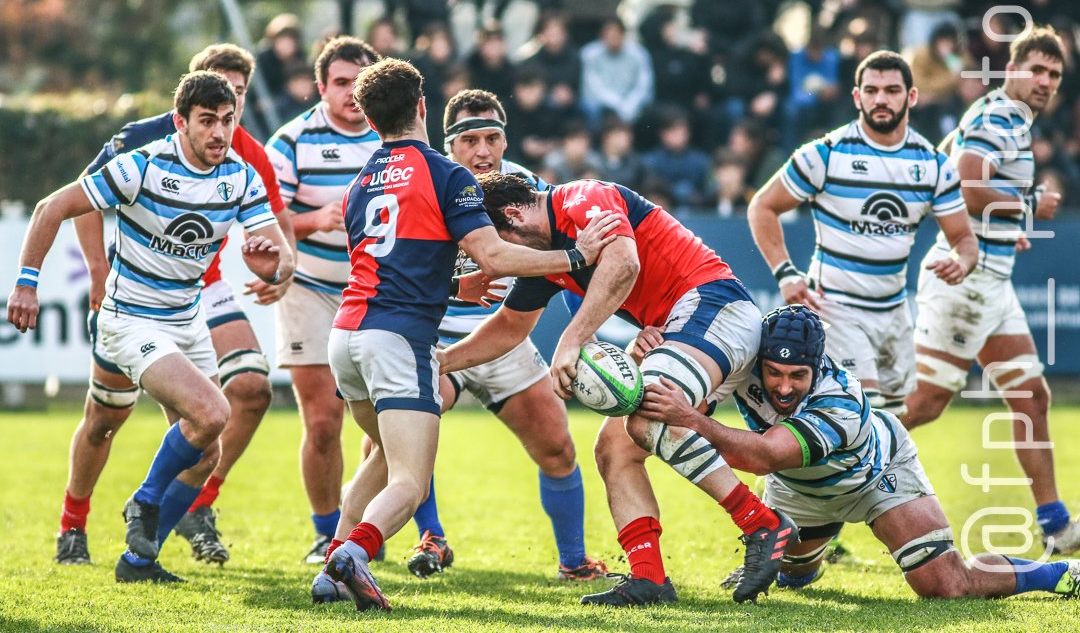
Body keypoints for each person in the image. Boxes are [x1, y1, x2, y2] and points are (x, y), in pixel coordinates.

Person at [312, 58, 620, 611]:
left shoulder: (362, 184)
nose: (482, 151)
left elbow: (388, 266)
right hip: (411, 339)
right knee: (408, 473)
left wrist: (460, 288)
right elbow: (494, 253)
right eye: (470, 139)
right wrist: (577, 255)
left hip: (356, 333)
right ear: (427, 114)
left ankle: (336, 559)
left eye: (492, 137)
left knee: (396, 449)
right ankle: (357, 553)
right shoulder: (444, 176)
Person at [439, 173, 799, 606]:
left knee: (648, 413)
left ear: (513, 215)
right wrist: (438, 363)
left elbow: (623, 262)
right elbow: (508, 328)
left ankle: (761, 522)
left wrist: (572, 339)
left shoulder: (583, 197)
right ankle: (650, 578)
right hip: (681, 329)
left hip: (713, 306)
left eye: (489, 244)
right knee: (614, 449)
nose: (491, 259)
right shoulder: (554, 257)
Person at [9, 71, 294, 583]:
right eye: (207, 122)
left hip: (187, 322)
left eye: (227, 121)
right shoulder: (141, 165)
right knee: (202, 411)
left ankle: (138, 561)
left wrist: (270, 263)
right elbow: (52, 206)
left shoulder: (242, 174)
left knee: (209, 450)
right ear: (180, 122)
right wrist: (27, 284)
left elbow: (279, 254)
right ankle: (139, 504)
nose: (219, 133)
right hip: (128, 319)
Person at [636, 305, 1080, 600]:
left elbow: (765, 457)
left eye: (797, 375)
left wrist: (694, 420)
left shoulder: (841, 399)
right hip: (798, 490)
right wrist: (661, 354)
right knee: (792, 577)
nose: (784, 386)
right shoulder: (742, 364)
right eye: (773, 373)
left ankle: (1058, 574)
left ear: (818, 365)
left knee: (944, 584)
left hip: (876, 475)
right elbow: (686, 378)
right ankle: (807, 561)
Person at [902, 26, 1080, 555]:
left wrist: (1004, 226)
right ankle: (815, 479)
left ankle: (1056, 527)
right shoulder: (997, 114)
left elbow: (942, 164)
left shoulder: (996, 118)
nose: (1046, 82)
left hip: (990, 282)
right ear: (1012, 69)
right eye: (1038, 70)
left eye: (1055, 74)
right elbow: (966, 183)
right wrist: (1026, 204)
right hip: (964, 281)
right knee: (925, 404)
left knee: (1031, 396)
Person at [748, 50, 977, 415]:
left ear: (911, 97)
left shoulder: (934, 165)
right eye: (871, 91)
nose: (881, 99)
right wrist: (785, 272)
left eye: (891, 90)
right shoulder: (826, 153)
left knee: (893, 421)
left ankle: (788, 473)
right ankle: (778, 470)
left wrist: (961, 261)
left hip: (894, 312)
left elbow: (964, 240)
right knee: (858, 414)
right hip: (834, 307)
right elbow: (762, 206)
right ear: (857, 97)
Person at [264, 36, 384, 564]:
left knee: (386, 417)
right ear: (321, 87)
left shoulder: (393, 139)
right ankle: (324, 532)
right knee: (322, 419)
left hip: (379, 292)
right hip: (309, 286)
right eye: (340, 83)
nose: (351, 94)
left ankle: (363, 527)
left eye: (361, 84)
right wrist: (318, 219)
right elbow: (264, 216)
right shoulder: (291, 141)